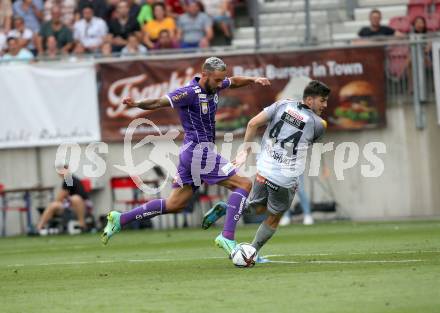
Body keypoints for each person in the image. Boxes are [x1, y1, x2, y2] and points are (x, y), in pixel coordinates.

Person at [101, 57, 271, 257]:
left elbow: (234, 81)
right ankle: (227, 236)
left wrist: (254, 79)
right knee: (243, 184)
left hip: (191, 154)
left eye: (221, 80)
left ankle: (120, 219)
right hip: (199, 152)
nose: (220, 84)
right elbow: (158, 101)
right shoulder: (189, 93)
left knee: (175, 204)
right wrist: (137, 103)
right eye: (217, 80)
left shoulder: (214, 86)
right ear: (205, 75)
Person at [202, 80, 330, 262]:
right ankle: (251, 253)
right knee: (273, 217)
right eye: (322, 101)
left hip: (263, 169)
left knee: (258, 207)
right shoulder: (319, 124)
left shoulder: (281, 105)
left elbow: (252, 124)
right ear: (309, 100)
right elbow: (306, 141)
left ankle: (228, 207)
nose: (325, 105)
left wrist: (245, 150)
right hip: (285, 178)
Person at [37, 164, 89, 233]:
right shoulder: (69, 179)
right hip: (72, 205)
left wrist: (55, 203)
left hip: (84, 205)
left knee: (74, 199)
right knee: (53, 205)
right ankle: (39, 228)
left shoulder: (68, 179)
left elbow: (60, 198)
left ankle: (82, 225)